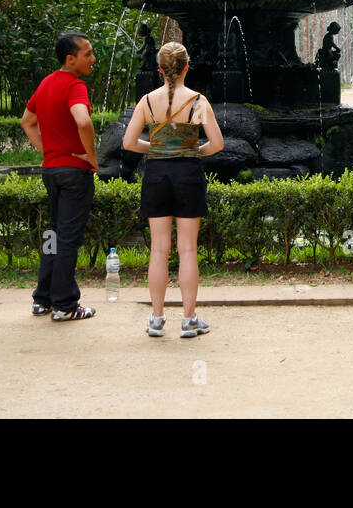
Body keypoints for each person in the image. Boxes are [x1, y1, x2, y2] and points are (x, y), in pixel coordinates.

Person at [122, 42, 224, 339]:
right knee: (188, 249)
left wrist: (155, 148)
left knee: (158, 249)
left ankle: (156, 319)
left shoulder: (147, 101)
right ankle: (189, 320)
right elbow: (217, 145)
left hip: (156, 174)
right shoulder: (198, 101)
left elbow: (128, 143)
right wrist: (193, 151)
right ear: (186, 67)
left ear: (160, 69)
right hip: (188, 174)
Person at [21, 33, 99, 321]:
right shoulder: (75, 86)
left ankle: (43, 299)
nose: (92, 59)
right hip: (74, 173)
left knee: (53, 234)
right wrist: (91, 156)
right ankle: (66, 305)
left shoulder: (46, 83)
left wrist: (49, 152)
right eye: (88, 54)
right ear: (71, 59)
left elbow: (26, 122)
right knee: (68, 238)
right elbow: (83, 120)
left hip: (51, 170)